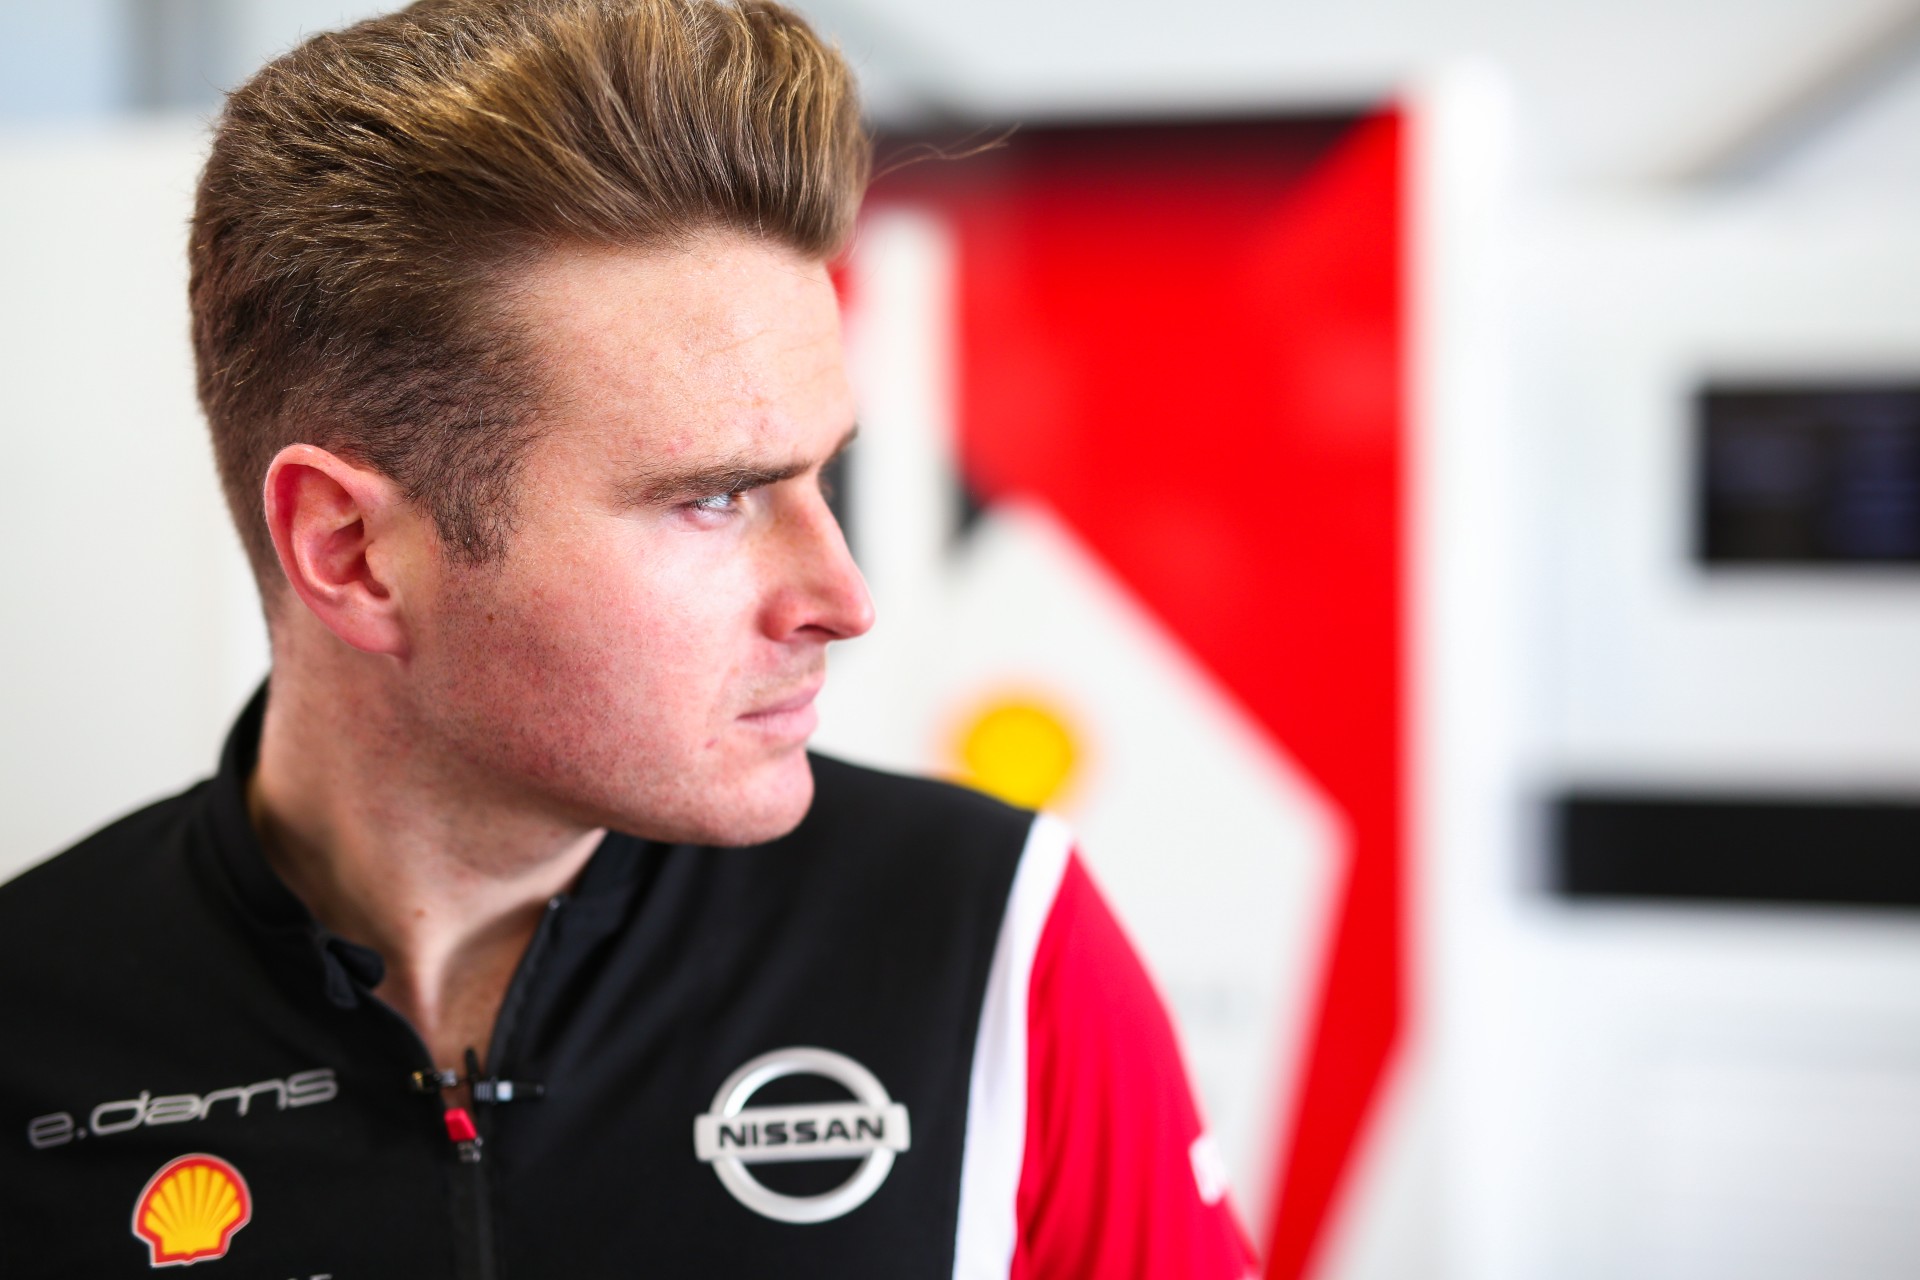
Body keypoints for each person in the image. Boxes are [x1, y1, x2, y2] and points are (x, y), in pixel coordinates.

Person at [0, 1, 1258, 1275]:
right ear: (353, 552)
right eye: (713, 498)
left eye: (824, 475)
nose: (843, 596)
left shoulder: (991, 942)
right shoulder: (30, 1023)